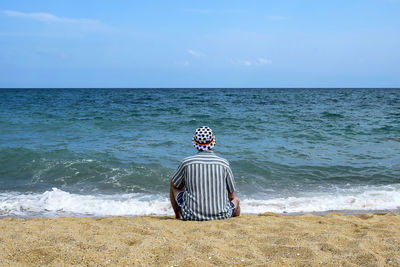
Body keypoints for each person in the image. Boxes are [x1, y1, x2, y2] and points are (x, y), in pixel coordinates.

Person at [170, 126, 240, 221]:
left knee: (174, 183)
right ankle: (234, 220)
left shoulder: (186, 162)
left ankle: (178, 216)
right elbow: (231, 196)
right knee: (236, 201)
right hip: (221, 216)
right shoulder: (224, 164)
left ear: (194, 142)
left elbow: (174, 184)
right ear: (213, 142)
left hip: (190, 215)